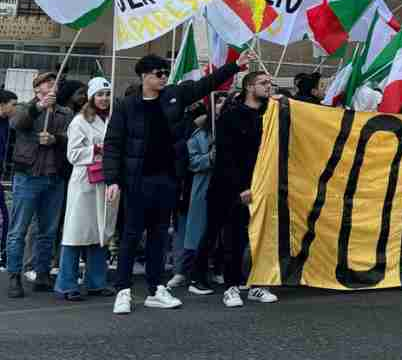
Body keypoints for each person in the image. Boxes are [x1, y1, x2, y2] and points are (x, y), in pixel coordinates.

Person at [104, 50, 249, 315]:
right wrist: (112, 179)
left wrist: (234, 67)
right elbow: (113, 144)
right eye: (158, 74)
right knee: (131, 235)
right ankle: (123, 290)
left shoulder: (173, 96)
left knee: (159, 236)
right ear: (144, 76)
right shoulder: (126, 106)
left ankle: (156, 288)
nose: (163, 78)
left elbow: (205, 84)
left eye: (165, 73)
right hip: (137, 181)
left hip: (167, 179)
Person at [201, 70, 278, 308]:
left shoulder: (271, 115)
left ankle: (257, 285)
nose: (269, 87)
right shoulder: (232, 116)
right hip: (235, 187)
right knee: (234, 237)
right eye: (263, 83)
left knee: (261, 237)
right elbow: (226, 156)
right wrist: (241, 187)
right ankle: (231, 287)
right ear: (249, 87)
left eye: (270, 83)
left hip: (264, 185)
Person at [6, 71, 72, 298]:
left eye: (55, 83)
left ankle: (42, 273)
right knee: (19, 230)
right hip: (28, 176)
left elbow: (71, 138)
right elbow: (17, 123)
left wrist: (56, 139)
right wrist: (39, 107)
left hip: (54, 177)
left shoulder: (65, 112)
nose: (53, 85)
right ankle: (14, 275)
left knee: (48, 231)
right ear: (37, 89)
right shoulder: (25, 107)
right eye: (48, 83)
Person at [55, 78, 118, 301]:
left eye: (107, 94)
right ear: (91, 97)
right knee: (75, 234)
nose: (104, 98)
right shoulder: (79, 121)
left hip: (106, 183)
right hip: (84, 184)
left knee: (100, 233)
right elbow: (73, 155)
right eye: (99, 94)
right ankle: (66, 284)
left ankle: (96, 282)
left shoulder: (114, 119)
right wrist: (97, 149)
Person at [167, 105, 214, 290]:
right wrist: (209, 158)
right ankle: (182, 272)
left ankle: (205, 270)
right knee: (189, 232)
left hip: (208, 187)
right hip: (187, 187)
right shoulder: (194, 136)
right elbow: (191, 161)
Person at [0, 89, 18, 269]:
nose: (15, 109)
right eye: (13, 105)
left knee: (6, 214)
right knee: (6, 215)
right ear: (2, 104)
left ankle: (4, 253)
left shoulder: (7, 123)